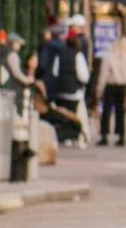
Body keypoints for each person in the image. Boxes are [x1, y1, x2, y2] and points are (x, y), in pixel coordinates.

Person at [36, 15, 91, 147]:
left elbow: (55, 72)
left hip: (61, 90)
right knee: (74, 116)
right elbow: (84, 76)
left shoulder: (60, 54)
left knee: (62, 115)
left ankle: (65, 137)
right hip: (74, 92)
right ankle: (75, 135)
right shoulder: (78, 55)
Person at [95, 33, 126, 147]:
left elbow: (103, 75)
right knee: (120, 112)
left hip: (110, 86)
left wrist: (99, 88)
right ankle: (121, 136)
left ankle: (104, 135)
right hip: (122, 87)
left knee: (106, 111)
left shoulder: (108, 57)